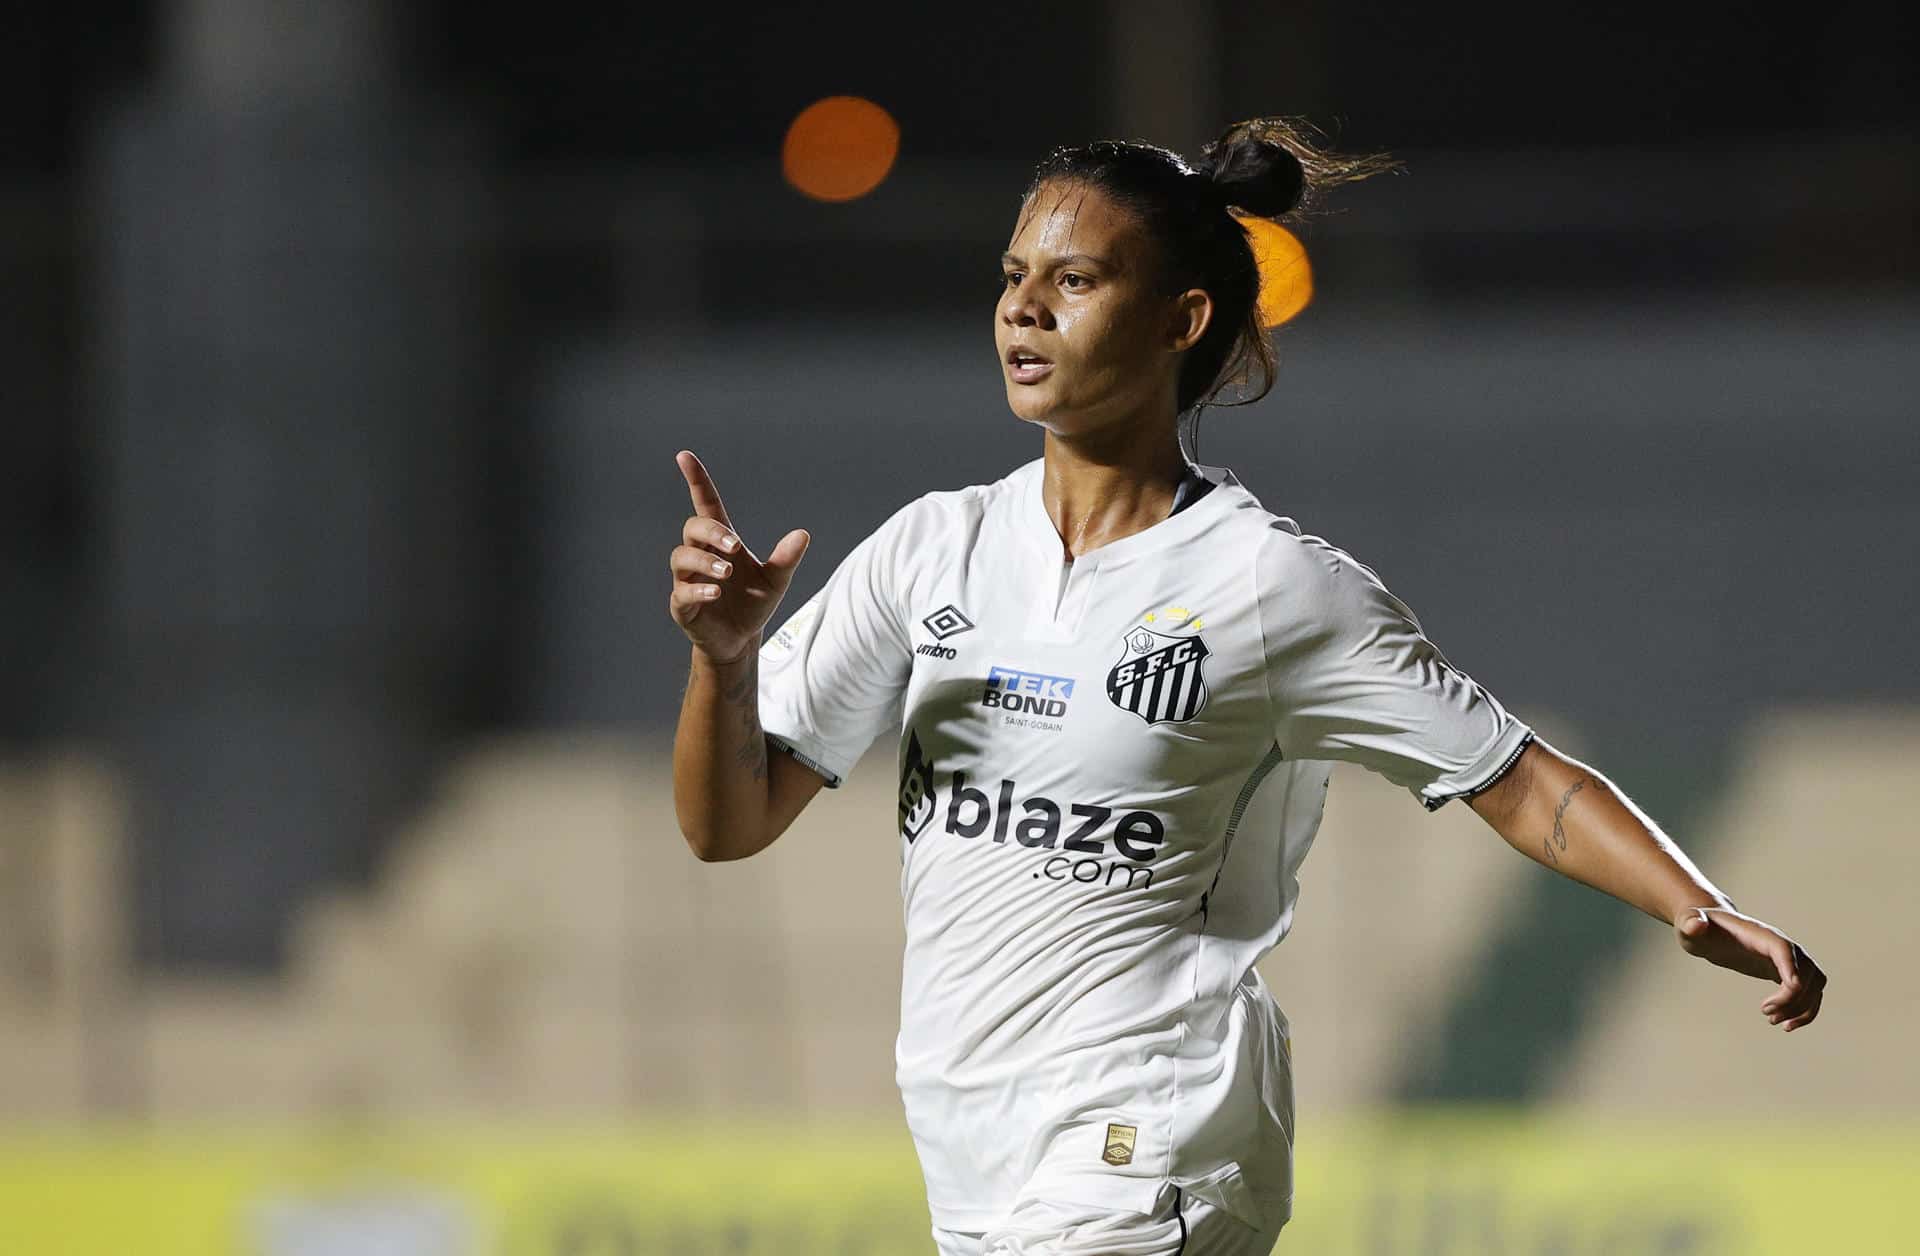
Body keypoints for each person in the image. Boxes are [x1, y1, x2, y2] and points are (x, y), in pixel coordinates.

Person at [668, 117, 1827, 1256]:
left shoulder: (1271, 586)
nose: (1024, 308)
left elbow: (1517, 777)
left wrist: (1691, 900)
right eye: (1014, 275)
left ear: (1183, 318)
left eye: (1074, 278)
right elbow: (728, 824)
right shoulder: (932, 550)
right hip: (977, 1150)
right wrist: (722, 664)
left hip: (1152, 1135)